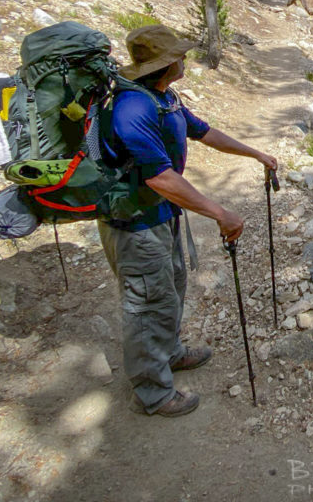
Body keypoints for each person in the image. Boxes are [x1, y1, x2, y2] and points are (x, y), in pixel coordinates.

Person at [98, 24, 276, 417]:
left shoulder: (164, 98)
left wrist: (255, 154)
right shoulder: (133, 108)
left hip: (160, 215)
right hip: (135, 223)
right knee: (145, 302)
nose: (184, 59)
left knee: (170, 288)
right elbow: (158, 176)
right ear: (164, 63)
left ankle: (171, 353)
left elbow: (204, 132)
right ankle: (152, 393)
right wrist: (219, 212)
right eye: (178, 54)